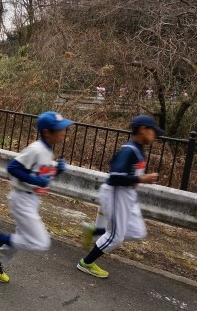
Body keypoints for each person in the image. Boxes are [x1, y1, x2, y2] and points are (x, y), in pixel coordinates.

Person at [0, 111, 74, 283]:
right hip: (22, 200)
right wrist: (36, 180)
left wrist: (56, 172)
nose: (63, 132)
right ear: (47, 132)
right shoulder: (36, 149)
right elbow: (13, 168)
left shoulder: (47, 150)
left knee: (20, 240)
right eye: (60, 129)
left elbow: (41, 178)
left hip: (32, 200)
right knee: (40, 242)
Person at [77, 115, 162, 279]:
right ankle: (86, 263)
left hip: (128, 194)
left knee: (137, 231)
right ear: (143, 129)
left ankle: (95, 231)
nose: (155, 136)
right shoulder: (129, 150)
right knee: (115, 237)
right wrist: (141, 179)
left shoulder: (138, 149)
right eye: (153, 131)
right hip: (117, 193)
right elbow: (115, 175)